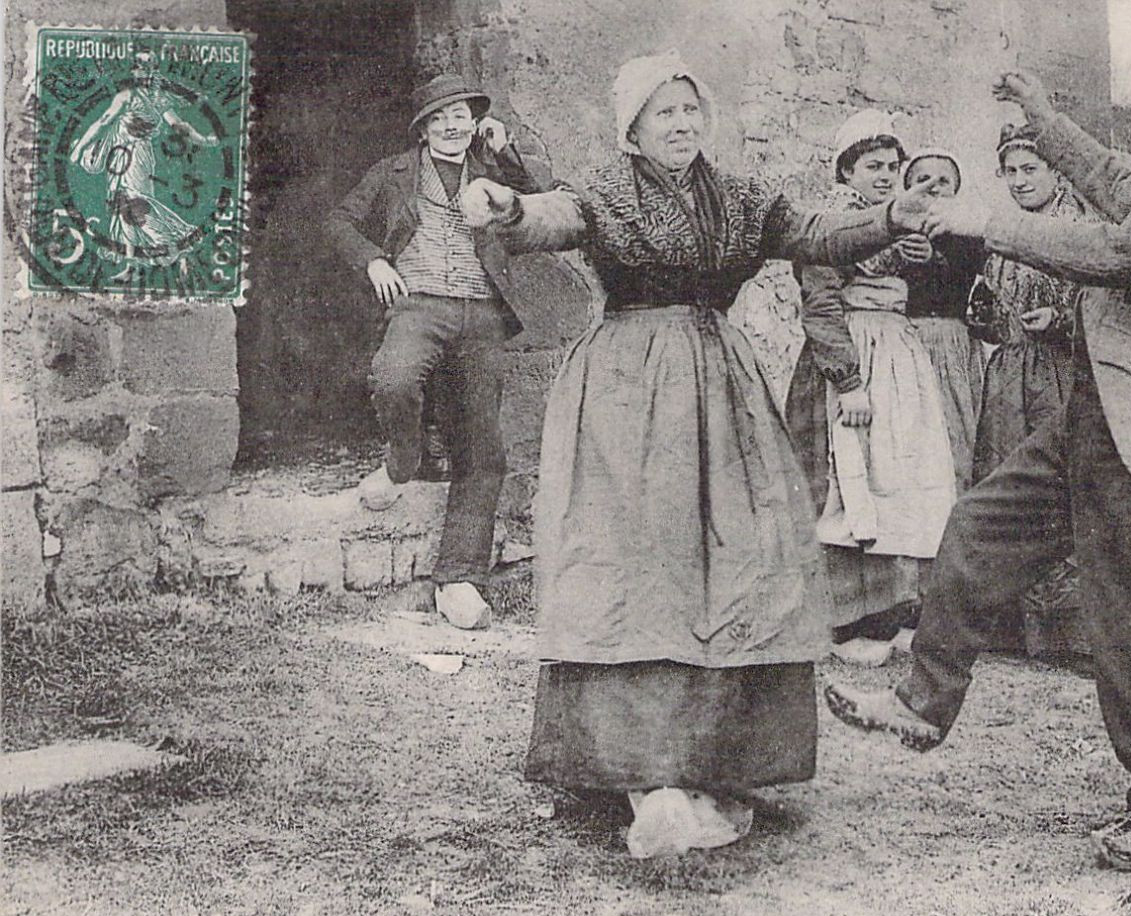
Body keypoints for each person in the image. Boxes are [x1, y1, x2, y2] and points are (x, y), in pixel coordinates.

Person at [825, 23, 1131, 872]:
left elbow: (1118, 250)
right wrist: (1040, 115)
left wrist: (984, 222)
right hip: (1093, 413)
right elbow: (1107, 176)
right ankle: (925, 699)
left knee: (1125, 621)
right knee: (979, 526)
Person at [459, 55, 931, 858]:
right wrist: (506, 207)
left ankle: (719, 761)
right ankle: (637, 766)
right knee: (641, 563)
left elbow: (816, 233)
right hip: (627, 392)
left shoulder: (744, 198)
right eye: (662, 112)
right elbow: (554, 217)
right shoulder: (607, 192)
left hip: (723, 382)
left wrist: (893, 215)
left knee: (736, 561)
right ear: (632, 128)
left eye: (689, 110)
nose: (680, 124)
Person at [326, 73, 548, 630]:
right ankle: (402, 460)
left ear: (475, 124)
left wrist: (507, 151)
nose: (453, 126)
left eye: (462, 116)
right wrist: (374, 259)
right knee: (394, 378)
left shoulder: (493, 168)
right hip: (419, 304)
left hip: (482, 312)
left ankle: (460, 581)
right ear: (423, 128)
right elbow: (339, 221)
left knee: (484, 446)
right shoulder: (394, 173)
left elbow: (546, 201)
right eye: (441, 117)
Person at [789, 111, 958, 668]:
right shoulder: (830, 227)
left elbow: (938, 294)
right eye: (872, 167)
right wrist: (849, 381)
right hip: (850, 363)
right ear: (846, 172)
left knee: (899, 482)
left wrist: (928, 263)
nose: (886, 176)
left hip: (899, 358)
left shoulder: (906, 226)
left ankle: (893, 614)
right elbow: (821, 305)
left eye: (892, 167)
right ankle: (840, 621)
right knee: (844, 485)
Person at [970, 123, 1100, 657]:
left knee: (1066, 488)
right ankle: (1009, 626)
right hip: (1009, 375)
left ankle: (1074, 631)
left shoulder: (1077, 228)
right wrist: (986, 317)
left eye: (1031, 169)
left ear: (1054, 170)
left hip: (1063, 374)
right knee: (1006, 484)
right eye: (1011, 171)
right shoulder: (1004, 231)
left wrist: (1063, 320)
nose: (1020, 181)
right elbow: (992, 301)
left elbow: (1107, 306)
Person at [70, 50, 219, 279]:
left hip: (137, 157)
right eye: (139, 66)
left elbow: (180, 127)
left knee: (138, 205)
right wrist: (80, 148)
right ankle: (133, 266)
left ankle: (178, 248)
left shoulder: (155, 98)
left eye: (147, 67)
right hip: (120, 155)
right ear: (133, 68)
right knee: (122, 206)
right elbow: (103, 122)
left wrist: (205, 140)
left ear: (153, 70)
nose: (143, 71)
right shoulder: (130, 95)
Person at [899, 149, 986, 494]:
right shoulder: (896, 231)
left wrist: (936, 258)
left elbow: (971, 271)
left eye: (943, 181)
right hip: (908, 340)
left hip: (952, 343)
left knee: (954, 425)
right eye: (923, 180)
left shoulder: (966, 236)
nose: (934, 188)